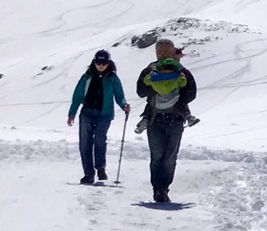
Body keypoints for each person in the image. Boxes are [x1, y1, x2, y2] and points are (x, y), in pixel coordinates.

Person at [135, 39, 197, 204]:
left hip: (175, 119)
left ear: (173, 52)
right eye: (159, 52)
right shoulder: (149, 70)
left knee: (169, 157)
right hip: (155, 119)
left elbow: (192, 92)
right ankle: (158, 189)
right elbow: (140, 91)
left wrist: (179, 100)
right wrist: (156, 84)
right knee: (157, 156)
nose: (161, 55)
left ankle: (164, 188)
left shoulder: (182, 71)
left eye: (165, 52)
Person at [67, 50, 130, 183]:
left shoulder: (113, 78)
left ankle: (101, 168)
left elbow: (119, 95)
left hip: (104, 114)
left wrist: (124, 105)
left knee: (99, 140)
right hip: (87, 113)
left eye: (104, 63)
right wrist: (72, 113)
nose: (101, 65)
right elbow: (77, 95)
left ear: (109, 63)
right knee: (85, 143)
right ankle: (89, 173)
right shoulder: (87, 77)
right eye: (98, 63)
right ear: (94, 63)